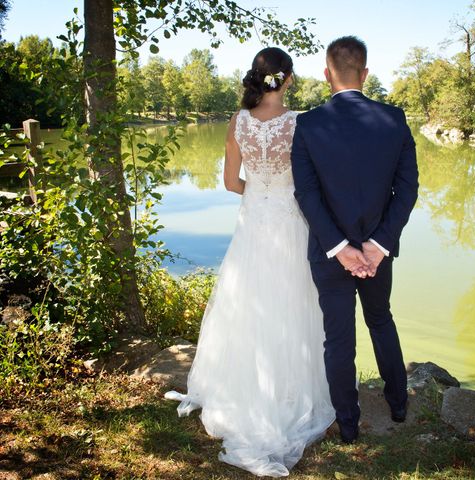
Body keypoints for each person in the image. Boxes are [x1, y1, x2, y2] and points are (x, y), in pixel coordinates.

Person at [164, 47, 335, 477]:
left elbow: (229, 182)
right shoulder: (299, 123)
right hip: (291, 222)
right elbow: (311, 183)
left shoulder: (237, 122)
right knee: (293, 301)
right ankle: (291, 395)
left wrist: (260, 193)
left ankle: (242, 389)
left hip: (255, 221)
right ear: (289, 80)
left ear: (258, 79)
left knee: (249, 300)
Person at [291, 36, 419, 444]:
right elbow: (409, 188)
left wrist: (339, 248)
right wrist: (377, 246)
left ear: (326, 74)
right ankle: (398, 405)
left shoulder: (308, 124)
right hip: (377, 254)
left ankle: (347, 424)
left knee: (338, 338)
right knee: (381, 320)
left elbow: (306, 194)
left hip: (330, 256)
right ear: (365, 74)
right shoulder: (394, 119)